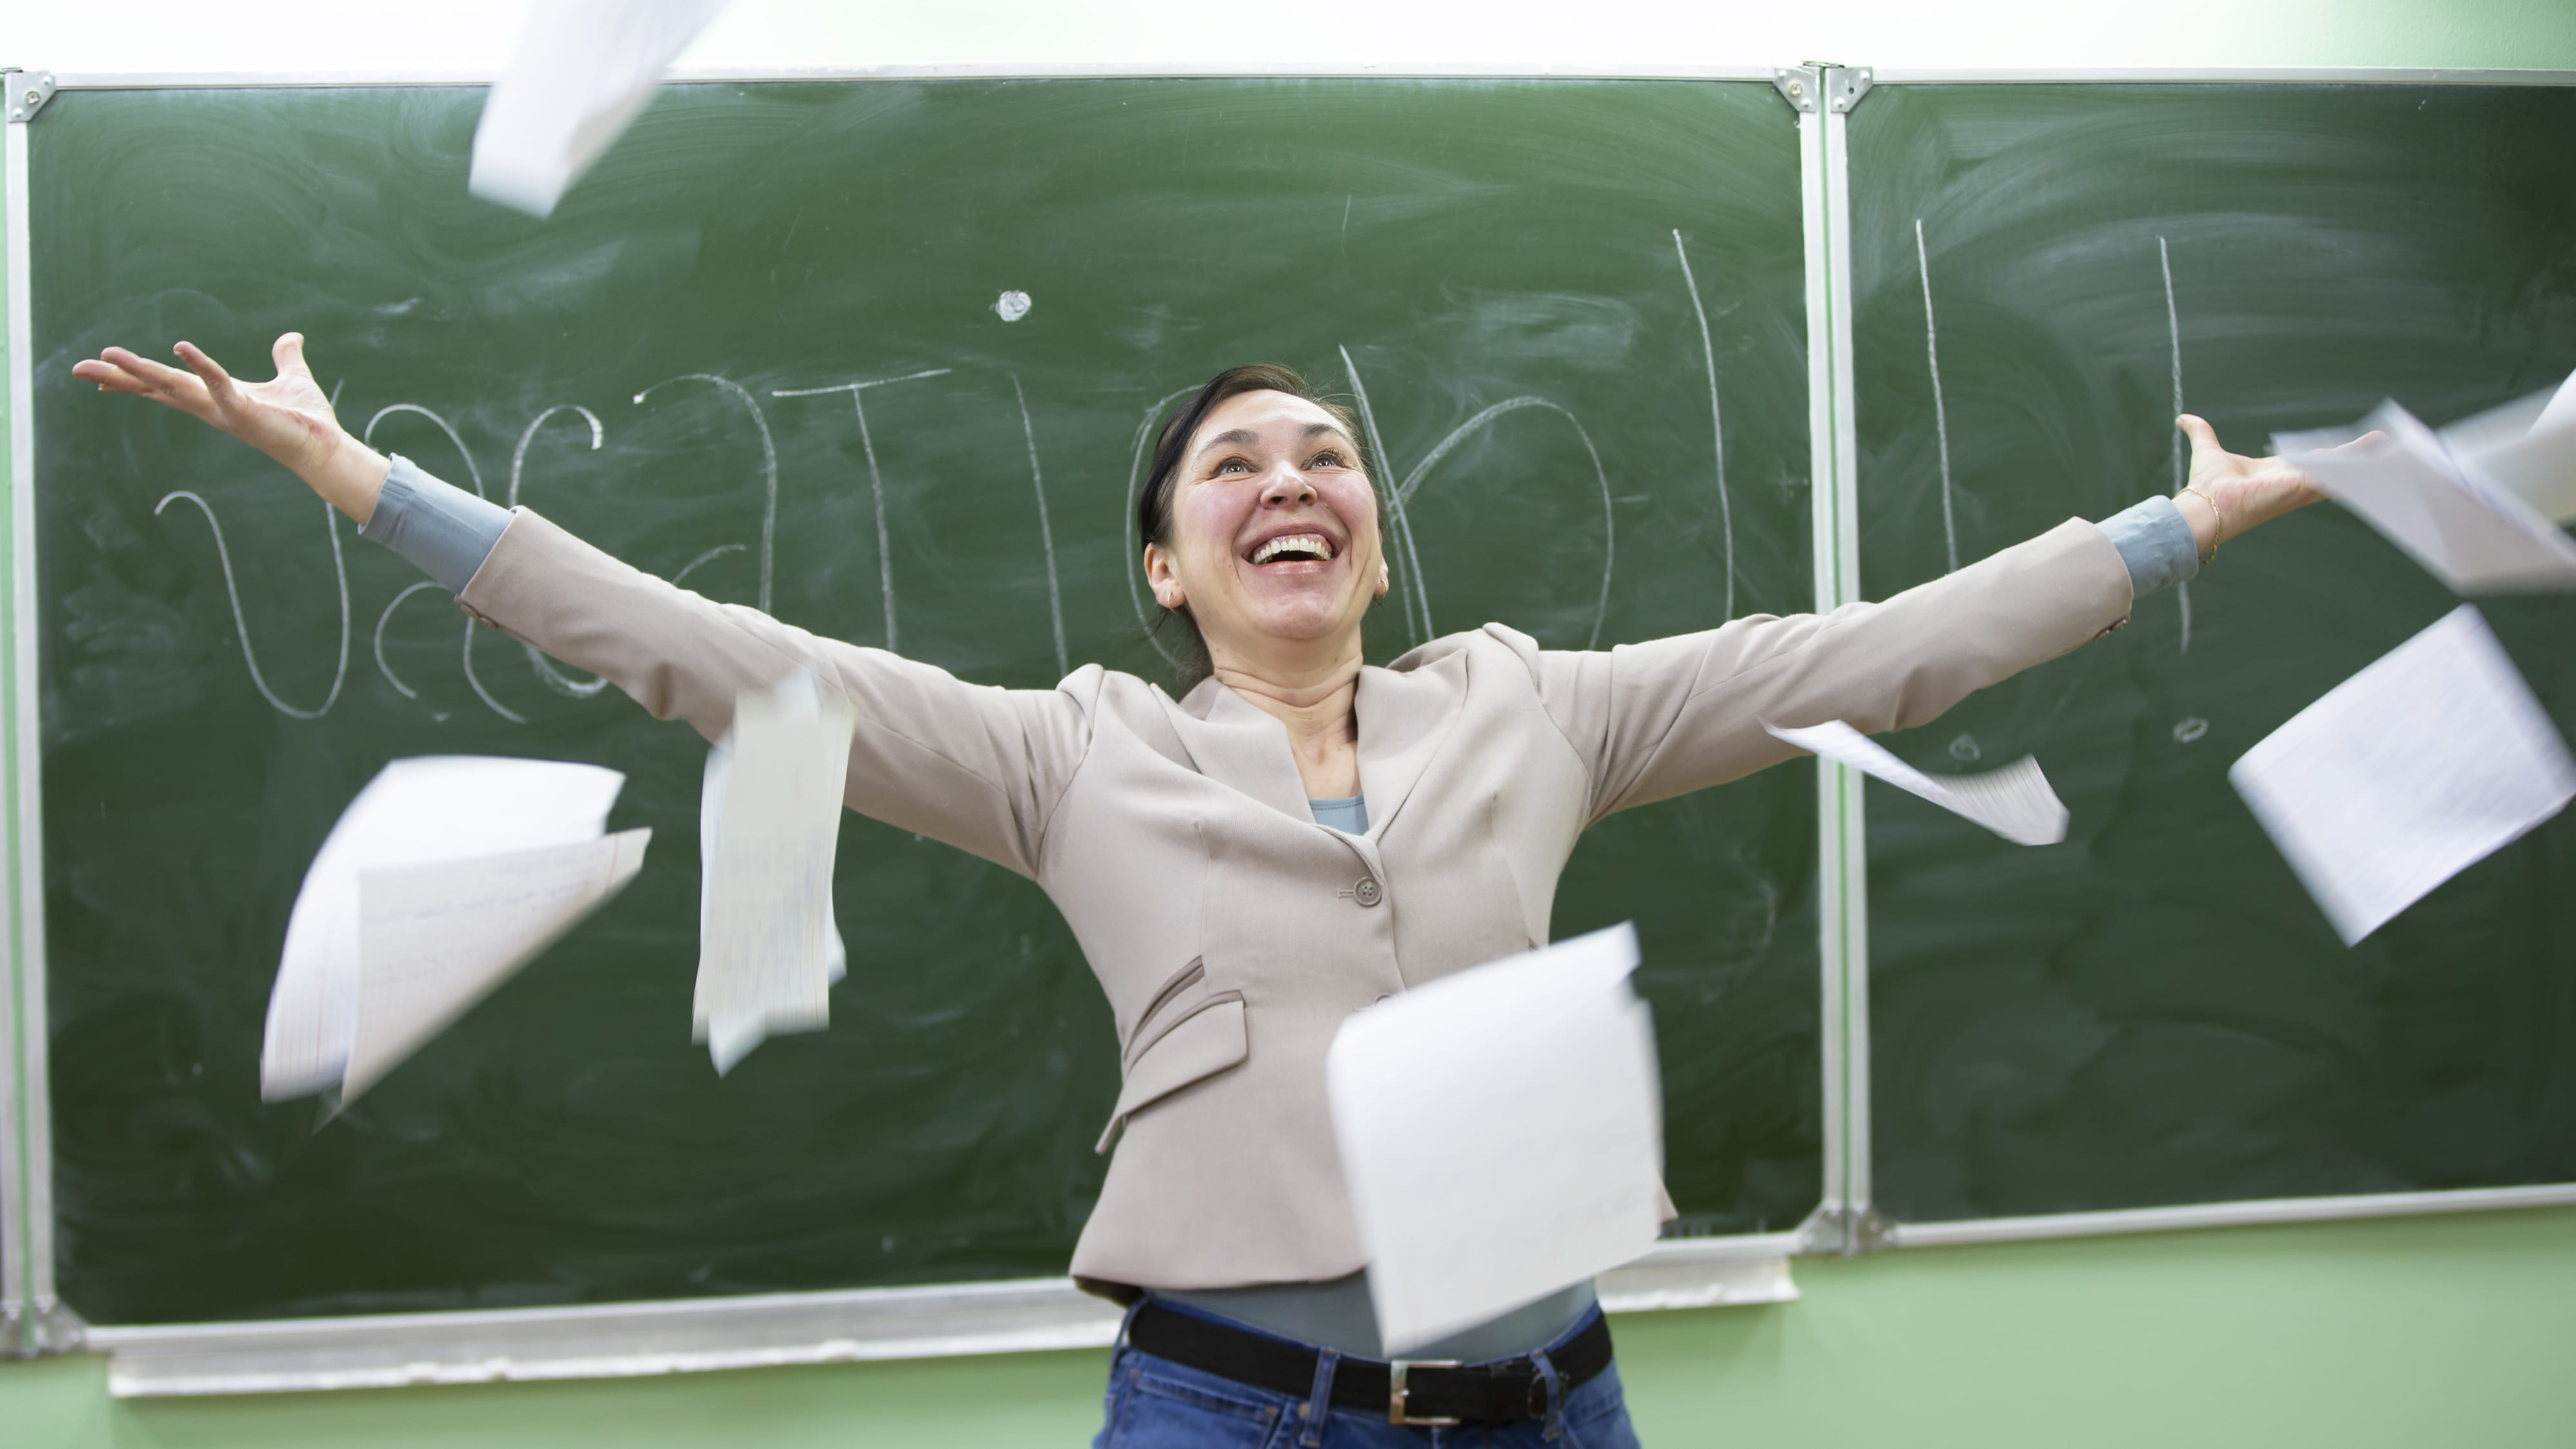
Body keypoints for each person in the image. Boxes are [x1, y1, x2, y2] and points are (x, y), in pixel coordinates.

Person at [74, 333, 2326, 1446]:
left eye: (1327, 453)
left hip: (1553, 1400)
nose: (1292, 477)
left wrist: (2171, 530)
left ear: (1373, 538)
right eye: (1234, 464)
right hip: (1240, 1411)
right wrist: (370, 482)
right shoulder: (1071, 753)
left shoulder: (1533, 706)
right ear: (1169, 563)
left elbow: (1874, 656)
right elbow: (708, 653)